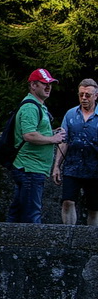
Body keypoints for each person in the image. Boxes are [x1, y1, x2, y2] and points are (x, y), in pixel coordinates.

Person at [7, 68, 65, 224]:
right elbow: (29, 135)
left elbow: (36, 131)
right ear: (33, 85)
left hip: (32, 168)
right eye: (44, 83)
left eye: (50, 84)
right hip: (30, 168)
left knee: (17, 213)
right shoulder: (30, 107)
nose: (48, 87)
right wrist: (53, 139)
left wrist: (52, 132)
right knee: (32, 214)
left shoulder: (38, 105)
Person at [52, 78, 98, 225]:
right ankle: (68, 233)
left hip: (94, 168)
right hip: (72, 166)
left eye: (87, 95)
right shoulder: (70, 114)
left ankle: (92, 236)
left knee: (94, 208)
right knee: (67, 201)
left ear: (95, 96)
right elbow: (64, 141)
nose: (84, 98)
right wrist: (57, 166)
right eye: (81, 94)